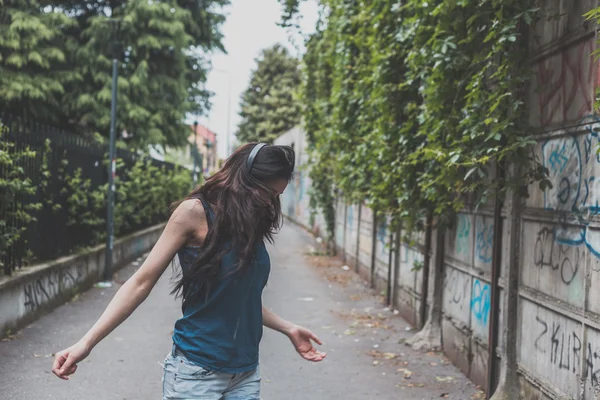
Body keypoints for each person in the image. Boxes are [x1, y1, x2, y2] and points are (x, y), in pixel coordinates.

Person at [52, 143, 326, 399]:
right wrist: (86, 343)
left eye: (276, 196)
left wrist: (288, 327)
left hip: (245, 373)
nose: (269, 203)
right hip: (196, 374)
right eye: (267, 193)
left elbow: (239, 297)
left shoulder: (250, 218)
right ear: (245, 180)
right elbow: (140, 283)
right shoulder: (195, 213)